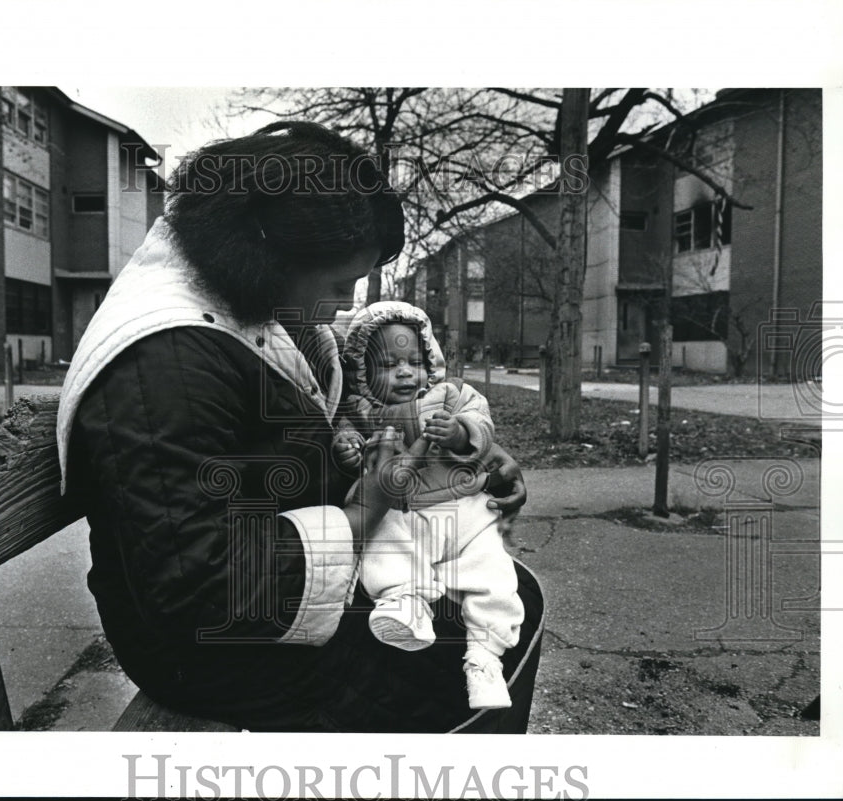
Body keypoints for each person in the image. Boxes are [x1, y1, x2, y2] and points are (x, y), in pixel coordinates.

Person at [56, 121, 543, 733]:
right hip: (219, 650)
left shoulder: (239, 298)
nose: (347, 302)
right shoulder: (164, 362)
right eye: (341, 284)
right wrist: (364, 512)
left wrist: (472, 457)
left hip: (283, 601)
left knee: (504, 601)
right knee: (473, 658)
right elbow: (195, 588)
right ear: (269, 251)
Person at [332, 301, 524, 710]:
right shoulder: (360, 410)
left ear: (430, 360)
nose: (404, 372)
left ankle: (486, 659)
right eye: (388, 365)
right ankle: (405, 604)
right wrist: (346, 448)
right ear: (364, 373)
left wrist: (459, 434)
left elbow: (482, 423)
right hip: (402, 510)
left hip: (464, 506)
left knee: (493, 568)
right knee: (385, 545)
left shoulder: (451, 394)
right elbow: (343, 435)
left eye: (414, 361)